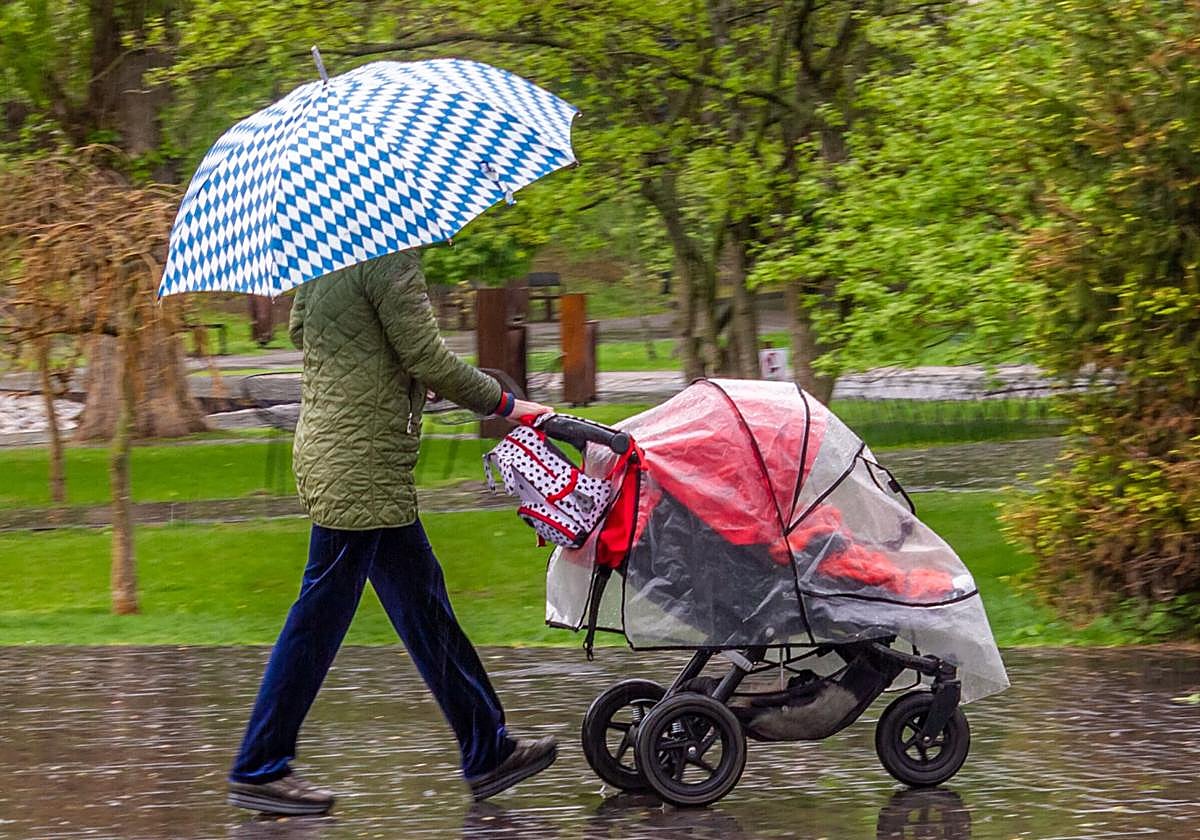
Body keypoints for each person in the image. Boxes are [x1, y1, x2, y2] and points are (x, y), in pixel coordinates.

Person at [226, 249, 557, 815]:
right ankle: (260, 765)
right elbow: (425, 355)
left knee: (424, 606)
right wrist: (508, 404)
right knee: (319, 616)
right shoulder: (390, 260)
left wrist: (396, 375)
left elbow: (312, 334)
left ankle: (488, 750)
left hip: (335, 451)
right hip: (362, 466)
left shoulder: (325, 259)